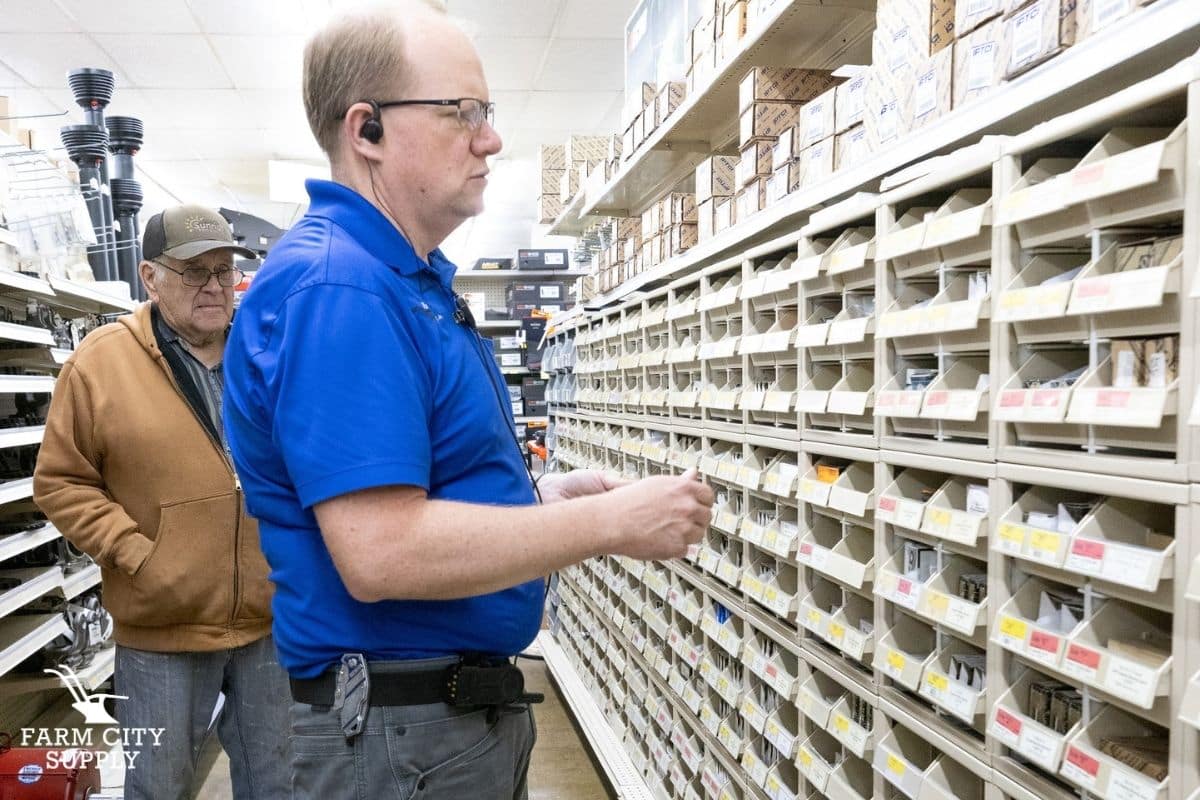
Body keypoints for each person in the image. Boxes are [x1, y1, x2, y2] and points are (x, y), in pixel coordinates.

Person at [220, 2, 714, 798]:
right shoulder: (340, 287)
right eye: (463, 112)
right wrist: (605, 524)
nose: (491, 138)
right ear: (366, 130)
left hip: (428, 727)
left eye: (488, 112)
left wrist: (537, 499)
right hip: (395, 736)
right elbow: (381, 551)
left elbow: (415, 488)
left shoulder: (398, 280)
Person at [33, 205, 292, 800]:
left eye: (224, 271)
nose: (214, 287)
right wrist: (139, 555)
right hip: (162, 630)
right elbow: (60, 481)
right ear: (150, 277)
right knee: (159, 786)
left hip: (268, 621)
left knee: (280, 783)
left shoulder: (266, 352)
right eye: (194, 272)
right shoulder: (99, 364)